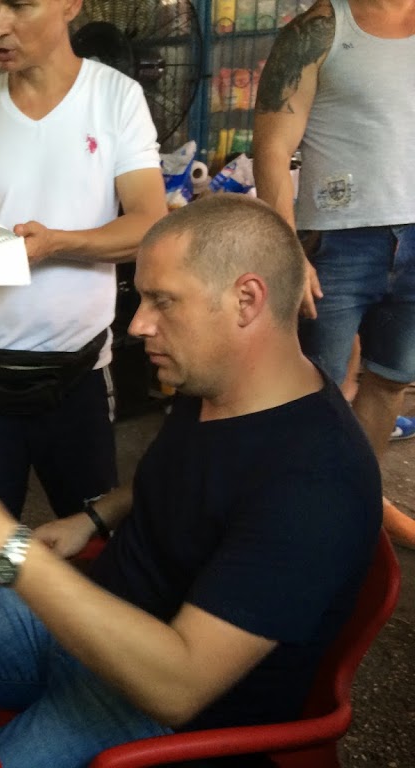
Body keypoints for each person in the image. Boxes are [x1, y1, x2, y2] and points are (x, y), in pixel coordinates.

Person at [0, 195, 382, 767]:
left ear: (247, 300)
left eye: (163, 301)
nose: (137, 324)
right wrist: (94, 517)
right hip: (89, 619)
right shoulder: (217, 381)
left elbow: (179, 687)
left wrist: (10, 550)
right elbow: (192, 482)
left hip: (153, 700)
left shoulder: (316, 483)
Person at [0, 0, 167, 522]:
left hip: (78, 371)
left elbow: (149, 225)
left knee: (89, 529)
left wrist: (54, 244)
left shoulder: (115, 99)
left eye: (19, 5)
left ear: (70, 5)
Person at [252, 0, 415, 545]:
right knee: (307, 390)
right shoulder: (321, 28)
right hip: (338, 243)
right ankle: (291, 515)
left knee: (389, 381)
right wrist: (286, 249)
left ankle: (360, 500)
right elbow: (272, 147)